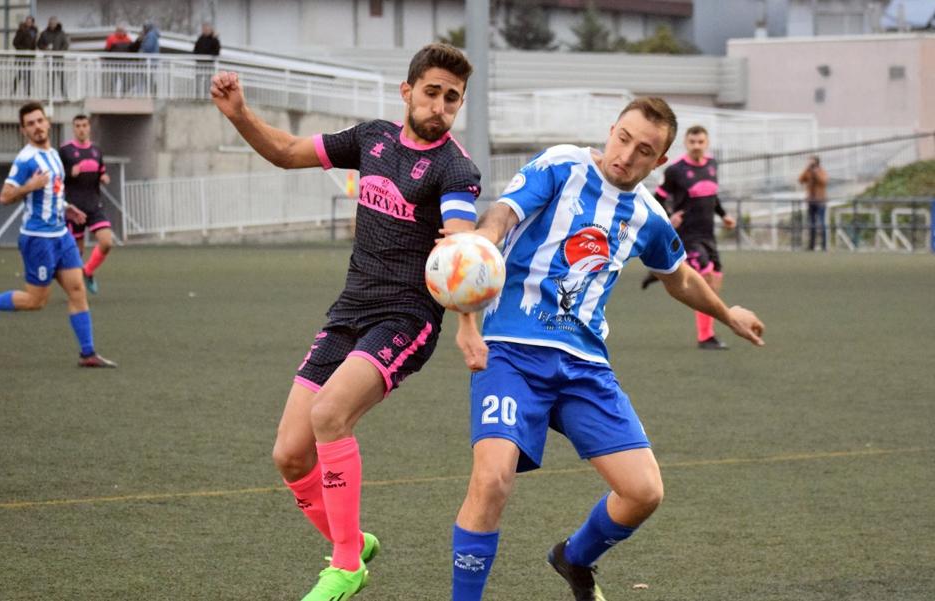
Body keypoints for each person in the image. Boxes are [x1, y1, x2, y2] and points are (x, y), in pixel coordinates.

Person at [449, 98, 765, 601]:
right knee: (492, 480)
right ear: (610, 130)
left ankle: (573, 558)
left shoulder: (647, 215)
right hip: (511, 350)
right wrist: (480, 248)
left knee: (644, 492)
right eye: (623, 138)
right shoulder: (561, 165)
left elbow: (678, 276)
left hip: (584, 365)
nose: (626, 155)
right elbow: (505, 213)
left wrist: (728, 314)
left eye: (644, 151)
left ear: (659, 162)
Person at [210, 43, 484, 601]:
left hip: (407, 319)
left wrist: (466, 319)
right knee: (289, 454)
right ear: (407, 91)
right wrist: (239, 113)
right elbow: (287, 151)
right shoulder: (371, 139)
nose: (440, 106)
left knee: (330, 414)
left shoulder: (457, 169)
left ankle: (345, 565)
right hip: (349, 311)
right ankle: (353, 541)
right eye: (431, 92)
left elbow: (462, 243)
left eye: (451, 99)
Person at [0, 102, 117, 369]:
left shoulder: (54, 155)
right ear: (24, 130)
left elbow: (54, 191)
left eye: (39, 121)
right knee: (36, 301)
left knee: (78, 290)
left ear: (47, 123)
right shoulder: (25, 159)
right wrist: (30, 185)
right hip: (38, 239)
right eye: (30, 124)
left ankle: (87, 353)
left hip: (61, 235)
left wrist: (67, 208)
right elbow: (5, 196)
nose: (36, 127)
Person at [643, 125, 736, 350]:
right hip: (688, 235)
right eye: (692, 142)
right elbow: (658, 199)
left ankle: (660, 272)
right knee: (706, 279)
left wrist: (724, 216)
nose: (696, 146)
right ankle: (706, 337)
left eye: (700, 142)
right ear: (686, 143)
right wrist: (669, 216)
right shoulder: (675, 170)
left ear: (707, 143)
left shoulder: (712, 165)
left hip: (708, 235)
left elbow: (712, 197)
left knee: (716, 280)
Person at [59, 115, 113, 294]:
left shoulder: (97, 151)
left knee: (106, 241)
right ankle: (73, 286)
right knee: (77, 252)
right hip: (74, 208)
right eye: (77, 126)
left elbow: (101, 171)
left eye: (84, 125)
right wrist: (69, 173)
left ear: (89, 127)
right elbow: (56, 176)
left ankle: (88, 271)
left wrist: (104, 177)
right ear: (73, 129)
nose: (81, 129)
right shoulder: (65, 151)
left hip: (93, 204)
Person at [799, 155, 828, 251]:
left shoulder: (822, 171)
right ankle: (811, 246)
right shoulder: (808, 172)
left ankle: (824, 246)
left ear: (817, 162)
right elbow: (801, 179)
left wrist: (816, 173)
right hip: (811, 201)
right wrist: (807, 169)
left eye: (812, 161)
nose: (810, 163)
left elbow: (823, 181)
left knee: (821, 223)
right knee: (811, 223)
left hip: (820, 201)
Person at [37, 17, 69, 97]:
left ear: (56, 24)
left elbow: (66, 44)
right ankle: (50, 96)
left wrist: (59, 52)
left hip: (59, 59)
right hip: (49, 59)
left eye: (53, 23)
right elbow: (39, 44)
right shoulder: (44, 33)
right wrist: (45, 48)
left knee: (61, 77)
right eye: (50, 23)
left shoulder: (61, 33)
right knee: (51, 79)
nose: (52, 25)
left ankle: (64, 96)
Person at [104, 24, 135, 97]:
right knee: (113, 80)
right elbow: (106, 50)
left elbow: (132, 50)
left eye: (122, 31)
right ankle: (112, 95)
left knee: (125, 80)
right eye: (119, 30)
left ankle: (123, 95)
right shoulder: (111, 38)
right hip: (113, 63)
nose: (120, 32)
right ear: (116, 31)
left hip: (124, 64)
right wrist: (104, 58)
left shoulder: (128, 39)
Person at [193, 22, 221, 97]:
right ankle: (198, 96)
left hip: (209, 64)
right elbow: (195, 50)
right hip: (200, 63)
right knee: (198, 80)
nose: (205, 30)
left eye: (206, 29)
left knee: (208, 81)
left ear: (210, 29)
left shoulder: (214, 39)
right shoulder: (200, 39)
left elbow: (217, 51)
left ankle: (207, 96)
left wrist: (215, 38)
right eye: (204, 29)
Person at [12, 16, 37, 96]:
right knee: (19, 74)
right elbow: (15, 43)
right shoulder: (21, 30)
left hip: (30, 57)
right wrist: (23, 50)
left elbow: (34, 44)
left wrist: (33, 53)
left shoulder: (34, 31)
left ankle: (28, 93)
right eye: (27, 21)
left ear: (32, 23)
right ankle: (14, 90)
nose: (28, 23)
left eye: (30, 22)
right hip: (21, 56)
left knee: (28, 75)